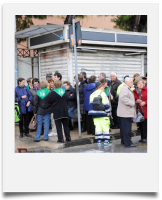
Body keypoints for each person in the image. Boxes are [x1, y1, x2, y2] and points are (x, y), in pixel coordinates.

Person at [117, 77, 137, 147]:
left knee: (124, 129)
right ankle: (128, 143)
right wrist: (132, 103)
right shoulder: (125, 88)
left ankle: (124, 141)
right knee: (127, 129)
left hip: (125, 112)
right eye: (131, 82)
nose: (132, 83)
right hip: (125, 113)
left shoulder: (126, 88)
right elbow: (123, 98)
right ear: (127, 82)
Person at [133, 78, 147, 143]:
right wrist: (136, 101)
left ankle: (144, 138)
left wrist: (145, 102)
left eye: (142, 82)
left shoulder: (147, 89)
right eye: (139, 83)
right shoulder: (134, 91)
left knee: (145, 125)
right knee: (140, 125)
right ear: (136, 84)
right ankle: (142, 137)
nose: (141, 84)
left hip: (146, 110)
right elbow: (132, 100)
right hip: (138, 111)